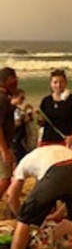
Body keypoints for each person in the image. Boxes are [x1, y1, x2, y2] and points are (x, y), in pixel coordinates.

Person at [38, 70, 72, 158]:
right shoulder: (46, 101)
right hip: (48, 140)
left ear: (66, 83)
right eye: (55, 82)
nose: (58, 85)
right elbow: (42, 122)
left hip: (68, 141)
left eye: (61, 82)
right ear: (51, 84)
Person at [0, 68, 19, 201]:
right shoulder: (2, 99)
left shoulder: (5, 97)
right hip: (3, 144)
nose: (16, 81)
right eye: (14, 78)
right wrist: (4, 150)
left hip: (6, 143)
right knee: (6, 179)